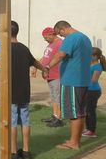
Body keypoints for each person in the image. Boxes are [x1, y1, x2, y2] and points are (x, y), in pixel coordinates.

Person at [0, 21, 47, 159]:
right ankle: (26, 151)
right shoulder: (24, 49)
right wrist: (44, 69)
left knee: (12, 121)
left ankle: (13, 152)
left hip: (10, 91)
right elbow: (35, 62)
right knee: (25, 120)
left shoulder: (5, 48)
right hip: (24, 90)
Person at [45, 20, 92, 150]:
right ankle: (75, 139)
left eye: (60, 34)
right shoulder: (85, 38)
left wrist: (48, 67)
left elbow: (60, 54)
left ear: (62, 30)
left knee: (73, 112)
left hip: (72, 80)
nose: (61, 37)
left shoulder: (71, 38)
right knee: (81, 112)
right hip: (83, 80)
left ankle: (73, 142)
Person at [33, 27, 64, 127]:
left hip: (57, 74)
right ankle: (55, 115)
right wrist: (37, 67)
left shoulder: (60, 43)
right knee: (53, 96)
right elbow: (45, 57)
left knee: (57, 96)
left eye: (46, 37)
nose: (45, 39)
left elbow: (61, 57)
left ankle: (58, 118)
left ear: (51, 34)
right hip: (50, 74)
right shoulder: (51, 44)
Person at [82, 47, 105, 138]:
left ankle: (91, 131)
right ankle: (88, 129)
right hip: (88, 90)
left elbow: (94, 80)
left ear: (95, 56)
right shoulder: (90, 64)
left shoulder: (97, 66)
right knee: (86, 110)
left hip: (93, 91)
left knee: (90, 111)